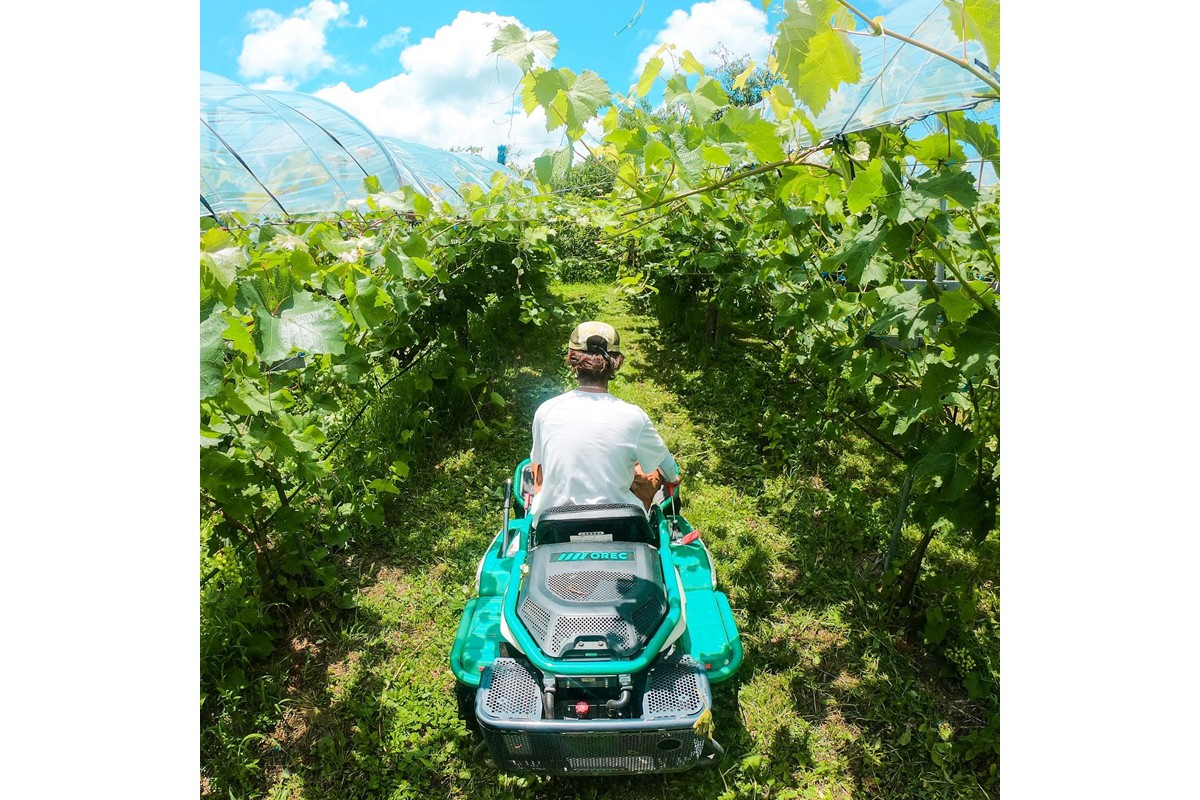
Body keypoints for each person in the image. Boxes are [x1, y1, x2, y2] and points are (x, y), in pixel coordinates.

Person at [528, 321, 679, 523]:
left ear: (572, 359)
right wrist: (672, 478)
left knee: (536, 466)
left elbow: (538, 463)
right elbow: (667, 467)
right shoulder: (634, 416)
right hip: (621, 523)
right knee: (649, 469)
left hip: (554, 524)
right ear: (616, 362)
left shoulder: (547, 410)